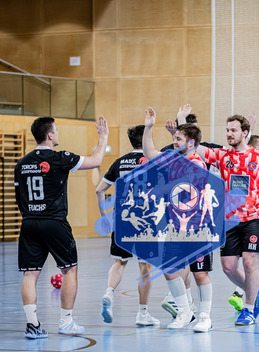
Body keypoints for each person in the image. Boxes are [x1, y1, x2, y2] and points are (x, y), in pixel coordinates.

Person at [15, 115, 109, 338]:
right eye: (55, 131)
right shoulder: (60, 158)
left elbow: (19, 197)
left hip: (28, 222)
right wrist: (103, 137)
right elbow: (96, 161)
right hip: (54, 222)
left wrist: (31, 214)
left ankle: (32, 325)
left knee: (29, 275)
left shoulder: (21, 163)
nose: (57, 134)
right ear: (50, 135)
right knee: (70, 270)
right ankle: (66, 322)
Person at [199, 113, 259, 325]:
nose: (229, 134)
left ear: (245, 133)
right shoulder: (222, 156)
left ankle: (249, 310)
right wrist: (182, 123)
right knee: (228, 267)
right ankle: (255, 291)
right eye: (227, 130)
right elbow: (195, 147)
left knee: (250, 262)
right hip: (230, 219)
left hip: (255, 217)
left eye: (233, 130)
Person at [142, 107, 218, 332]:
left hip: (199, 227)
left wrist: (158, 190)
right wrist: (148, 127)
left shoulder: (197, 163)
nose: (173, 142)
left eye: (178, 139)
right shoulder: (172, 159)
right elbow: (149, 152)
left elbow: (182, 185)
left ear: (191, 142)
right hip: (176, 226)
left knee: (200, 273)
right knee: (168, 268)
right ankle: (185, 312)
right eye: (174, 138)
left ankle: (205, 317)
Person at [96, 125, 160, 327]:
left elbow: (99, 190)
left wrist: (104, 217)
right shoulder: (154, 160)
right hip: (145, 220)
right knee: (145, 266)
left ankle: (109, 293)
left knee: (119, 262)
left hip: (121, 219)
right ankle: (142, 313)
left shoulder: (120, 162)